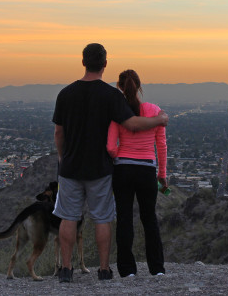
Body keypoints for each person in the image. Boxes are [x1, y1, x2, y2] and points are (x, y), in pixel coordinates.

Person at [52, 43, 168, 283]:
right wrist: (159, 120)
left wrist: (63, 158)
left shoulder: (65, 93)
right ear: (105, 64)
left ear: (83, 62)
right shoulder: (111, 95)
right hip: (101, 169)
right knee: (102, 218)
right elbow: (132, 124)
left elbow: (59, 133)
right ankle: (104, 270)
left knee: (68, 217)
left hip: (71, 167)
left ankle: (65, 269)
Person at [106, 69, 167, 277]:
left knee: (124, 219)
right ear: (139, 86)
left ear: (120, 88)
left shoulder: (118, 113)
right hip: (147, 170)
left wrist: (118, 158)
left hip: (123, 169)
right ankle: (157, 269)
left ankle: (127, 270)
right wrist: (162, 174)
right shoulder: (155, 111)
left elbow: (111, 147)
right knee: (149, 218)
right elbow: (161, 145)